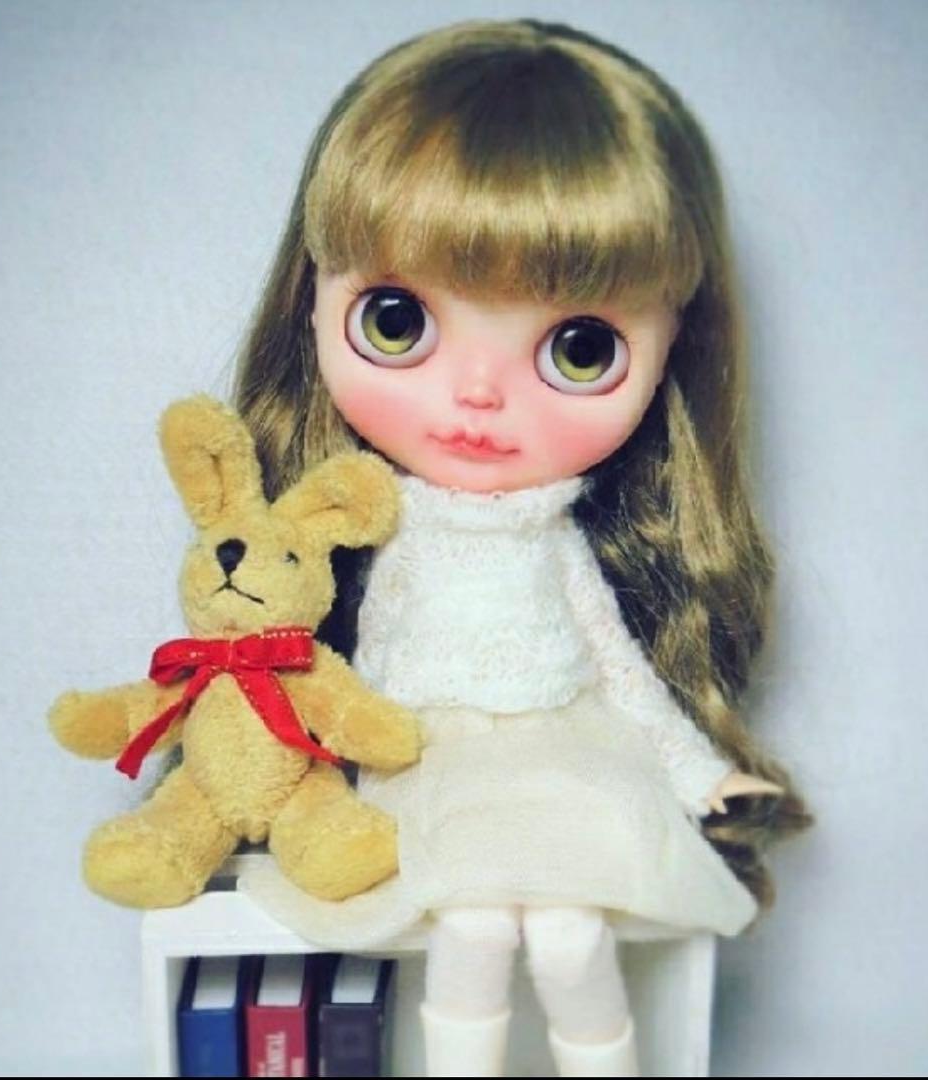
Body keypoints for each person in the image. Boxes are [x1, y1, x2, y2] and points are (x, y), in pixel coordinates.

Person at [233, 18, 811, 1077]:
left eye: (579, 349)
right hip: (430, 763)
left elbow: (620, 670)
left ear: (674, 349)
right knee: (471, 929)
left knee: (573, 933)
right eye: (397, 322)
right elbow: (354, 673)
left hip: (567, 758)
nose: (477, 396)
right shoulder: (374, 532)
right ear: (308, 303)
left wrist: (700, 774)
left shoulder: (554, 545)